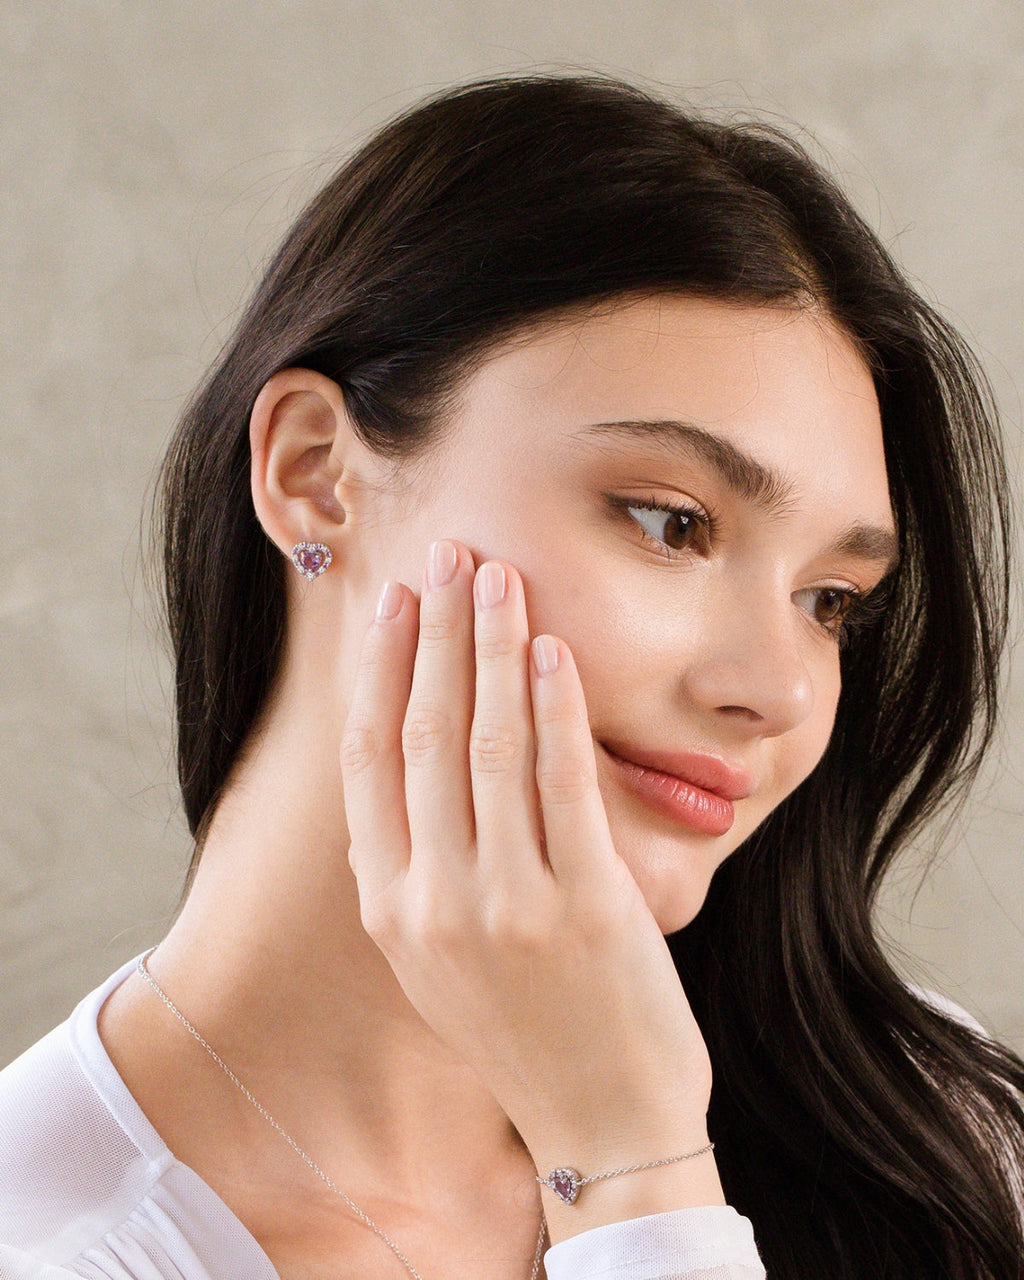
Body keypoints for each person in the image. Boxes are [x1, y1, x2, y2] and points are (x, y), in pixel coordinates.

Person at [0, 73, 1021, 1280]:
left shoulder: (935, 1140)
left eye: (827, 602)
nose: (779, 690)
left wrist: (636, 1151)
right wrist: (630, 1172)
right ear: (317, 472)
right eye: (668, 521)